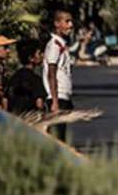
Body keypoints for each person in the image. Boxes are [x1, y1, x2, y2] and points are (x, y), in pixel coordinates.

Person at [43, 9, 75, 140]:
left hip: (63, 96)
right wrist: (55, 101)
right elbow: (51, 73)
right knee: (56, 137)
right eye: (67, 21)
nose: (70, 25)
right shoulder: (54, 46)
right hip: (57, 97)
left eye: (71, 21)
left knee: (61, 135)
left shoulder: (62, 44)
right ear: (57, 23)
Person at [7, 39, 47, 114]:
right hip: (30, 117)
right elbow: (39, 104)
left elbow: (5, 99)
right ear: (31, 58)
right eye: (39, 53)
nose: (42, 55)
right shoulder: (35, 79)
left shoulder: (13, 77)